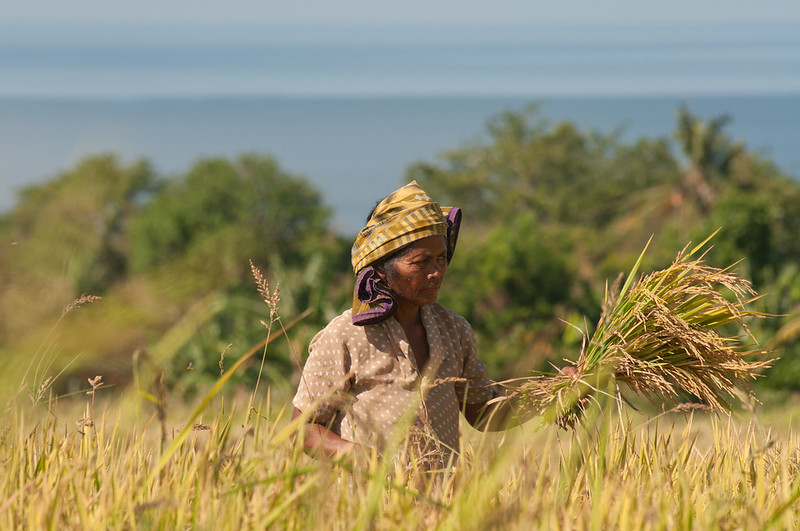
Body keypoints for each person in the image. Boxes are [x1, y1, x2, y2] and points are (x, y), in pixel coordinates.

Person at [291, 181, 524, 466]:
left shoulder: (454, 330)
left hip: (440, 503)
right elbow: (303, 431)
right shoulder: (347, 336)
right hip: (367, 503)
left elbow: (483, 413)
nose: (436, 272)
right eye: (421, 262)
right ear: (381, 269)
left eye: (441, 258)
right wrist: (367, 460)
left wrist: (556, 395)